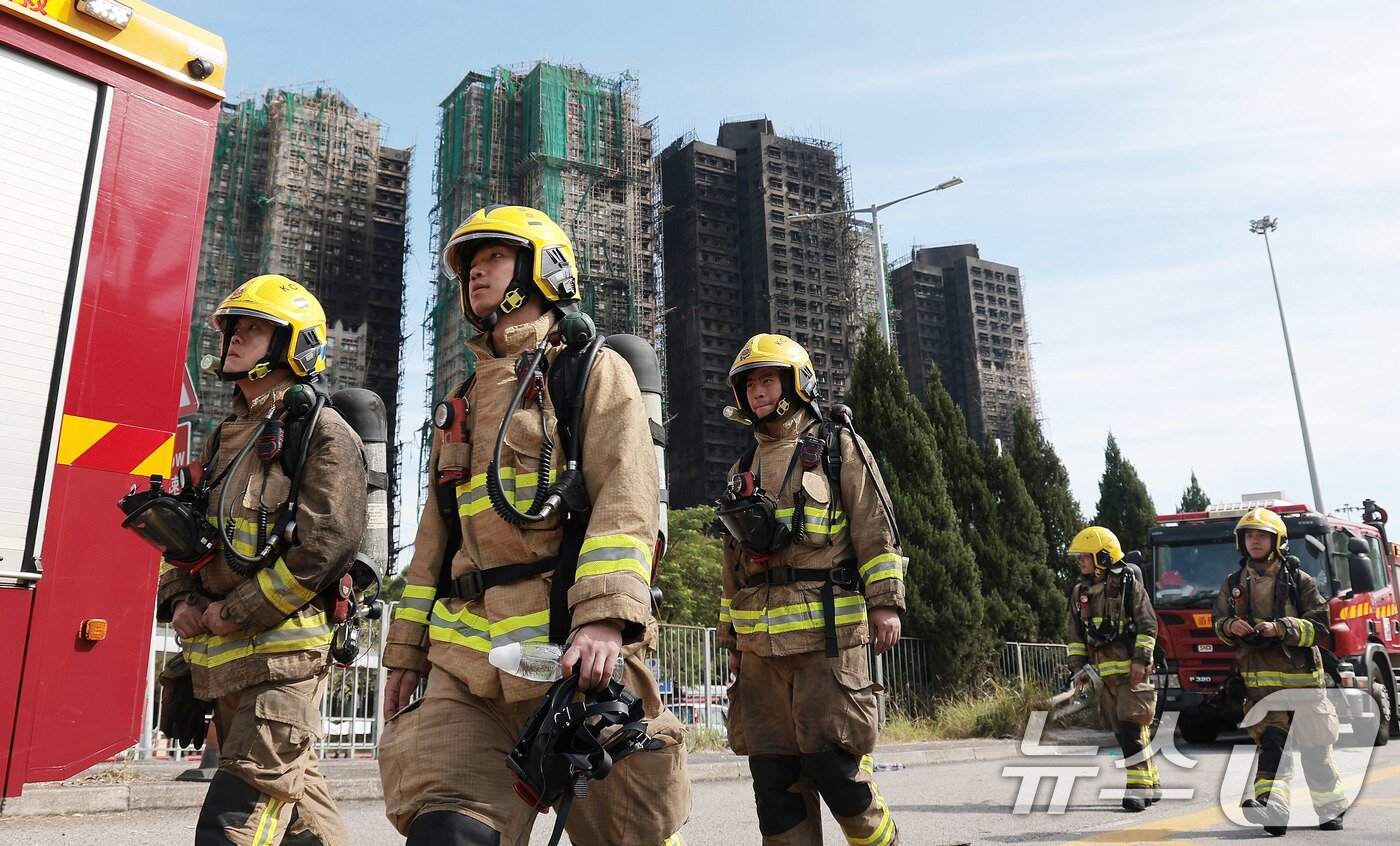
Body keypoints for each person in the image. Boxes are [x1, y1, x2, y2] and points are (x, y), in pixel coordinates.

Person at [376, 204, 691, 845]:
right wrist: (406, 649)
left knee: (629, 837)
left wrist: (603, 618)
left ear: (543, 271)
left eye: (495, 257)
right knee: (447, 831)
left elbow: (626, 500)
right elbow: (434, 542)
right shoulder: (461, 402)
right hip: (470, 665)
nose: (476, 272)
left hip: (574, 657)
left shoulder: (591, 371)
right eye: (470, 263)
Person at [155, 276, 366, 845]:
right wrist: (181, 600)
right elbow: (188, 535)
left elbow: (326, 545)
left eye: (254, 328)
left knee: (233, 825)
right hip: (226, 664)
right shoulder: (223, 437)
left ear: (294, 346)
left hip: (285, 666)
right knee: (302, 825)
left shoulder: (324, 434)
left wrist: (236, 610)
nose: (235, 338)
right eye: (233, 328)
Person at [715, 333, 905, 846]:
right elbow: (733, 567)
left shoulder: (837, 448)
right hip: (760, 654)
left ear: (797, 384)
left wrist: (885, 603)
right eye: (749, 384)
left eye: (768, 380)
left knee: (835, 771)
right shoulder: (742, 470)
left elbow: (875, 528)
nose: (758, 392)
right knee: (775, 788)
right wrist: (731, 641)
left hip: (828, 640)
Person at [1212, 507, 1347, 835]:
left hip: (1304, 686)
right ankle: (1272, 809)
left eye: (1262, 535)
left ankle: (1330, 808)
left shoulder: (1300, 581)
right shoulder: (1233, 584)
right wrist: (1230, 626)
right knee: (1273, 746)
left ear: (1277, 541)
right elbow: (1218, 622)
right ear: (1241, 542)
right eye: (1249, 536)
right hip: (1261, 687)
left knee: (1315, 751)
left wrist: (1281, 628)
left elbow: (1319, 627)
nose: (1255, 541)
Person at [1065, 526, 1161, 812]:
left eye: (1085, 556)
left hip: (1132, 673)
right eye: (1080, 557)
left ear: (1103, 557)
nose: (1081, 561)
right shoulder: (1080, 592)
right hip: (1104, 676)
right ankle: (1152, 781)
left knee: (1132, 727)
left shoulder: (1129, 585)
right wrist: (1078, 668)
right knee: (1121, 731)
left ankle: (1138, 789)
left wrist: (1140, 660)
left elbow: (1148, 625)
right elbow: (1075, 635)